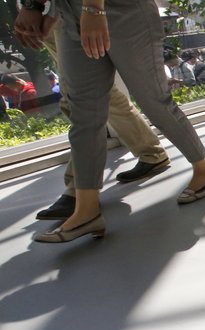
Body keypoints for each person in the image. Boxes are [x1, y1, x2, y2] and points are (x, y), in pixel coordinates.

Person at [14, 0, 205, 243]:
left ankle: (204, 169)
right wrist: (35, 5)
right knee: (83, 114)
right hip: (69, 12)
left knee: (153, 100)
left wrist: (93, 8)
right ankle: (86, 210)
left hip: (121, 9)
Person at [25, 18, 172, 220]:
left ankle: (80, 190)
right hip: (54, 17)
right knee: (97, 91)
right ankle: (150, 151)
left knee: (80, 96)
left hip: (65, 14)